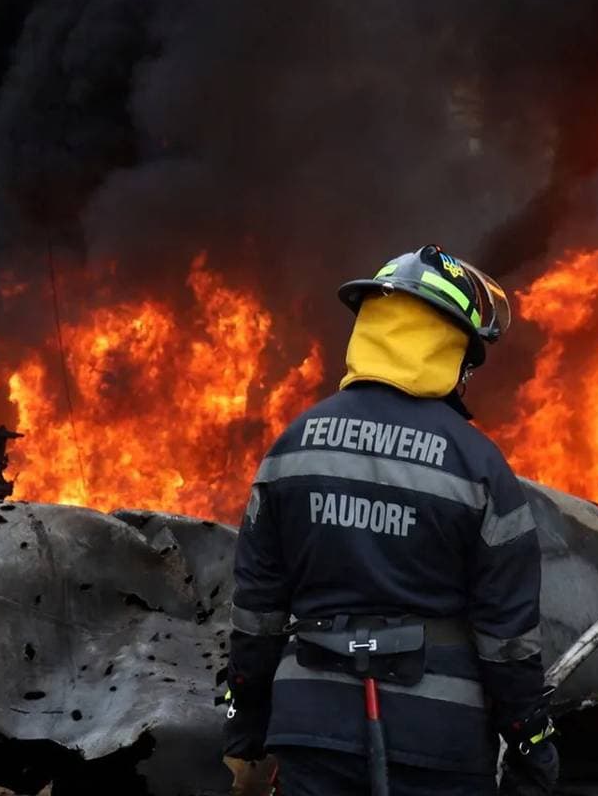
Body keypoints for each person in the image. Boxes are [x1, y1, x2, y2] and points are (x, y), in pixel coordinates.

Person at [223, 245, 556, 796]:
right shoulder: (479, 466)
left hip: (311, 731)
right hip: (437, 741)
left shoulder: (292, 447)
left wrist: (245, 723)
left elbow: (256, 612)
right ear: (449, 349)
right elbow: (508, 638)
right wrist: (530, 743)